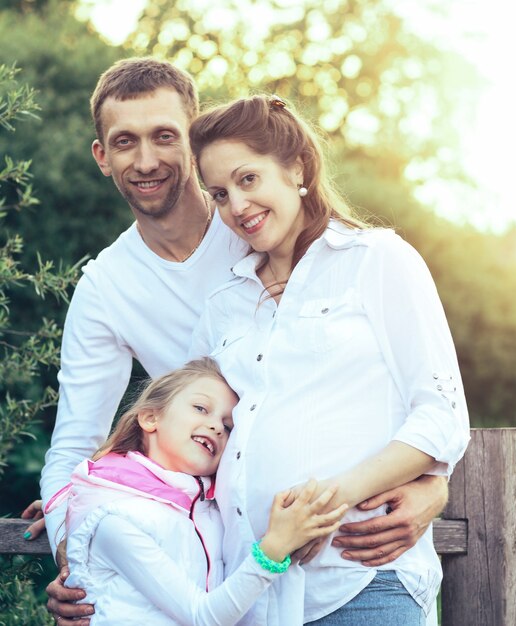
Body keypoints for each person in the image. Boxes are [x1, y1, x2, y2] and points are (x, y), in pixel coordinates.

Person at [20, 58, 449, 625]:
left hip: (350, 573)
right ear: (102, 155)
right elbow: (79, 447)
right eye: (125, 141)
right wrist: (80, 560)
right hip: (238, 582)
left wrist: (433, 483)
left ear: (193, 143)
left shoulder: (301, 244)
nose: (146, 160)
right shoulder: (127, 289)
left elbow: (420, 395)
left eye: (164, 136)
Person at [188, 94, 471, 625]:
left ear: (296, 167)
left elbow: (441, 415)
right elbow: (188, 430)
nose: (237, 207)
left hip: (360, 581)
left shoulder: (377, 260)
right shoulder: (222, 305)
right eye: (220, 194)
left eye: (249, 180)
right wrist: (89, 505)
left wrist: (325, 505)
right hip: (250, 594)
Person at [44, 357, 348, 625]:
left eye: (229, 426)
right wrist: (275, 548)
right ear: (151, 418)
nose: (216, 426)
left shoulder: (208, 511)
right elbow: (202, 617)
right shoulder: (116, 520)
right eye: (201, 408)